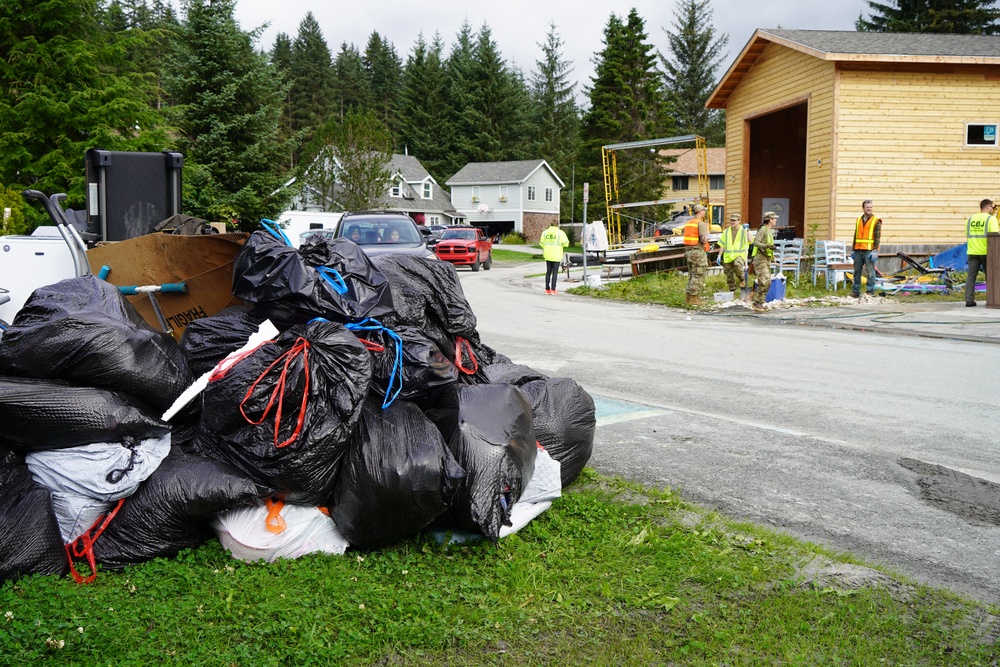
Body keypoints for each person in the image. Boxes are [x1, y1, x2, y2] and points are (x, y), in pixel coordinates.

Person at [964, 198, 999, 307]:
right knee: (991, 276)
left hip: (972, 251)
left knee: (971, 276)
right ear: (988, 207)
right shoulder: (991, 219)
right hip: (986, 252)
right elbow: (995, 237)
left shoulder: (970, 220)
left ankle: (969, 301)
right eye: (992, 207)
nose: (992, 210)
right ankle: (992, 300)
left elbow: (968, 235)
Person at [851, 200, 882, 298]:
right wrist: (853, 249)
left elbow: (877, 236)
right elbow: (855, 235)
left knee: (870, 271)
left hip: (869, 250)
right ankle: (856, 292)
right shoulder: (859, 220)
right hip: (858, 249)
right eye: (867, 207)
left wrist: (875, 250)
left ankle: (870, 292)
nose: (869, 209)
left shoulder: (876, 220)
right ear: (863, 208)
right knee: (857, 271)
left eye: (870, 207)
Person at [683, 204, 711, 306]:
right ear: (700, 212)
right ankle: (694, 298)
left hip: (689, 252)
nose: (705, 212)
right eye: (704, 211)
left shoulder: (689, 223)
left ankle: (689, 297)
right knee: (698, 274)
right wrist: (708, 238)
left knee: (692, 275)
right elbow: (703, 239)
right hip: (697, 252)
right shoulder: (700, 224)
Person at [750, 212, 778, 312]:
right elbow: (756, 242)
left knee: (767, 282)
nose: (776, 220)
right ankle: (757, 302)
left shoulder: (769, 230)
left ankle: (760, 302)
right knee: (764, 280)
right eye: (774, 218)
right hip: (760, 258)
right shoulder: (763, 230)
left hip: (766, 258)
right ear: (770, 219)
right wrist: (767, 246)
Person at [717, 213, 748, 296]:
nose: (732, 222)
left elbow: (750, 240)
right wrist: (719, 255)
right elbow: (722, 244)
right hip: (728, 257)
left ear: (739, 221)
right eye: (731, 220)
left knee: (737, 264)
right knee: (729, 275)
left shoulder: (743, 230)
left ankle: (742, 279)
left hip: (739, 255)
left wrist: (747, 231)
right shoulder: (726, 231)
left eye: (734, 220)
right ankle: (732, 292)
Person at [539, 221, 569, 294]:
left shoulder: (545, 232)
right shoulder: (560, 233)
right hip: (556, 254)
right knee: (555, 272)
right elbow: (566, 243)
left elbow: (541, 243)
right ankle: (553, 289)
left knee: (548, 272)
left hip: (547, 254)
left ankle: (547, 289)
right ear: (557, 225)